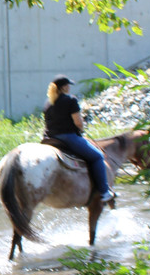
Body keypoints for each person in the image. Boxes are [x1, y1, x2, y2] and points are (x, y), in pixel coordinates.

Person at [43, 74, 113, 202]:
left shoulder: (48, 103)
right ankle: (104, 192)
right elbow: (78, 122)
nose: (69, 87)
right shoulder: (71, 100)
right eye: (68, 85)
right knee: (97, 156)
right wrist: (81, 130)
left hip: (49, 139)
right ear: (63, 87)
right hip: (67, 137)